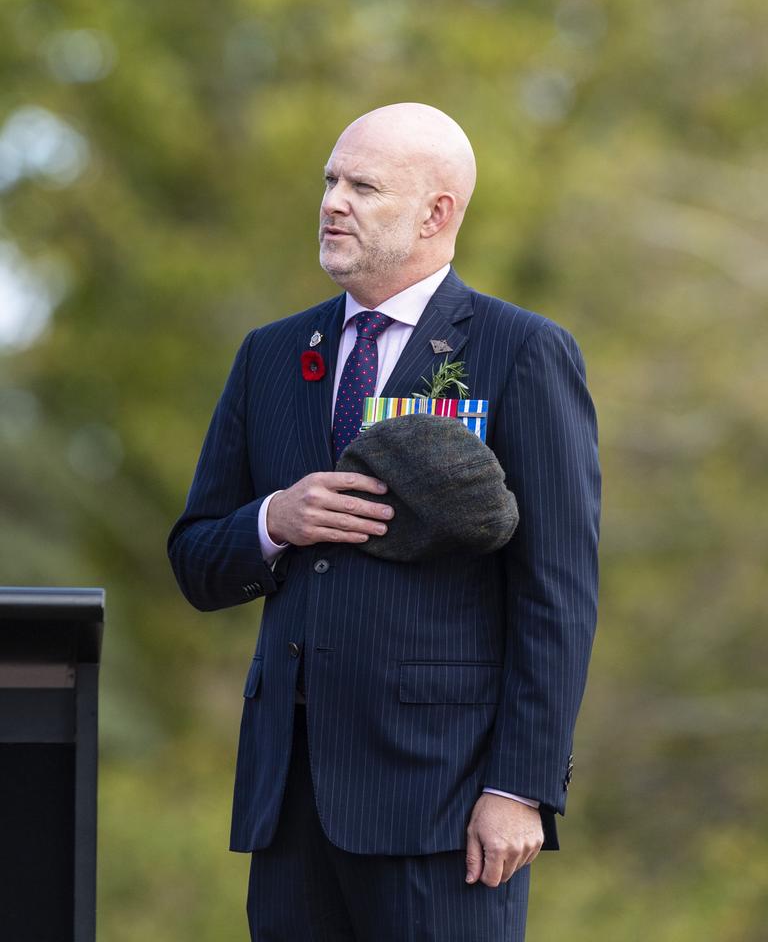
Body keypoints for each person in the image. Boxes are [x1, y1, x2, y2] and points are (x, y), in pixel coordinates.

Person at [168, 102, 600, 941]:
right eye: (331, 180)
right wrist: (272, 521)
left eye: (363, 186)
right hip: (288, 802)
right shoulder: (269, 354)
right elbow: (194, 558)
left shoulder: (521, 351)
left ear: (438, 213)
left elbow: (560, 592)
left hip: (445, 805)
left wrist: (522, 789)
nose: (333, 202)